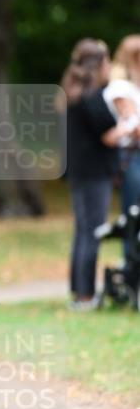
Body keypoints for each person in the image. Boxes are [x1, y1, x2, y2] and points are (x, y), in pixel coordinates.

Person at [60, 39, 137, 310]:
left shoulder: (74, 94)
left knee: (83, 231)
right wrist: (130, 126)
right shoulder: (92, 98)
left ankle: (79, 291)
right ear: (99, 65)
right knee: (92, 231)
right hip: (94, 173)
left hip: (80, 172)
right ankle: (85, 295)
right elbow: (109, 136)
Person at [104, 34, 140, 216]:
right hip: (130, 154)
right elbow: (134, 125)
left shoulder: (134, 87)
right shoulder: (120, 87)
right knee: (132, 210)